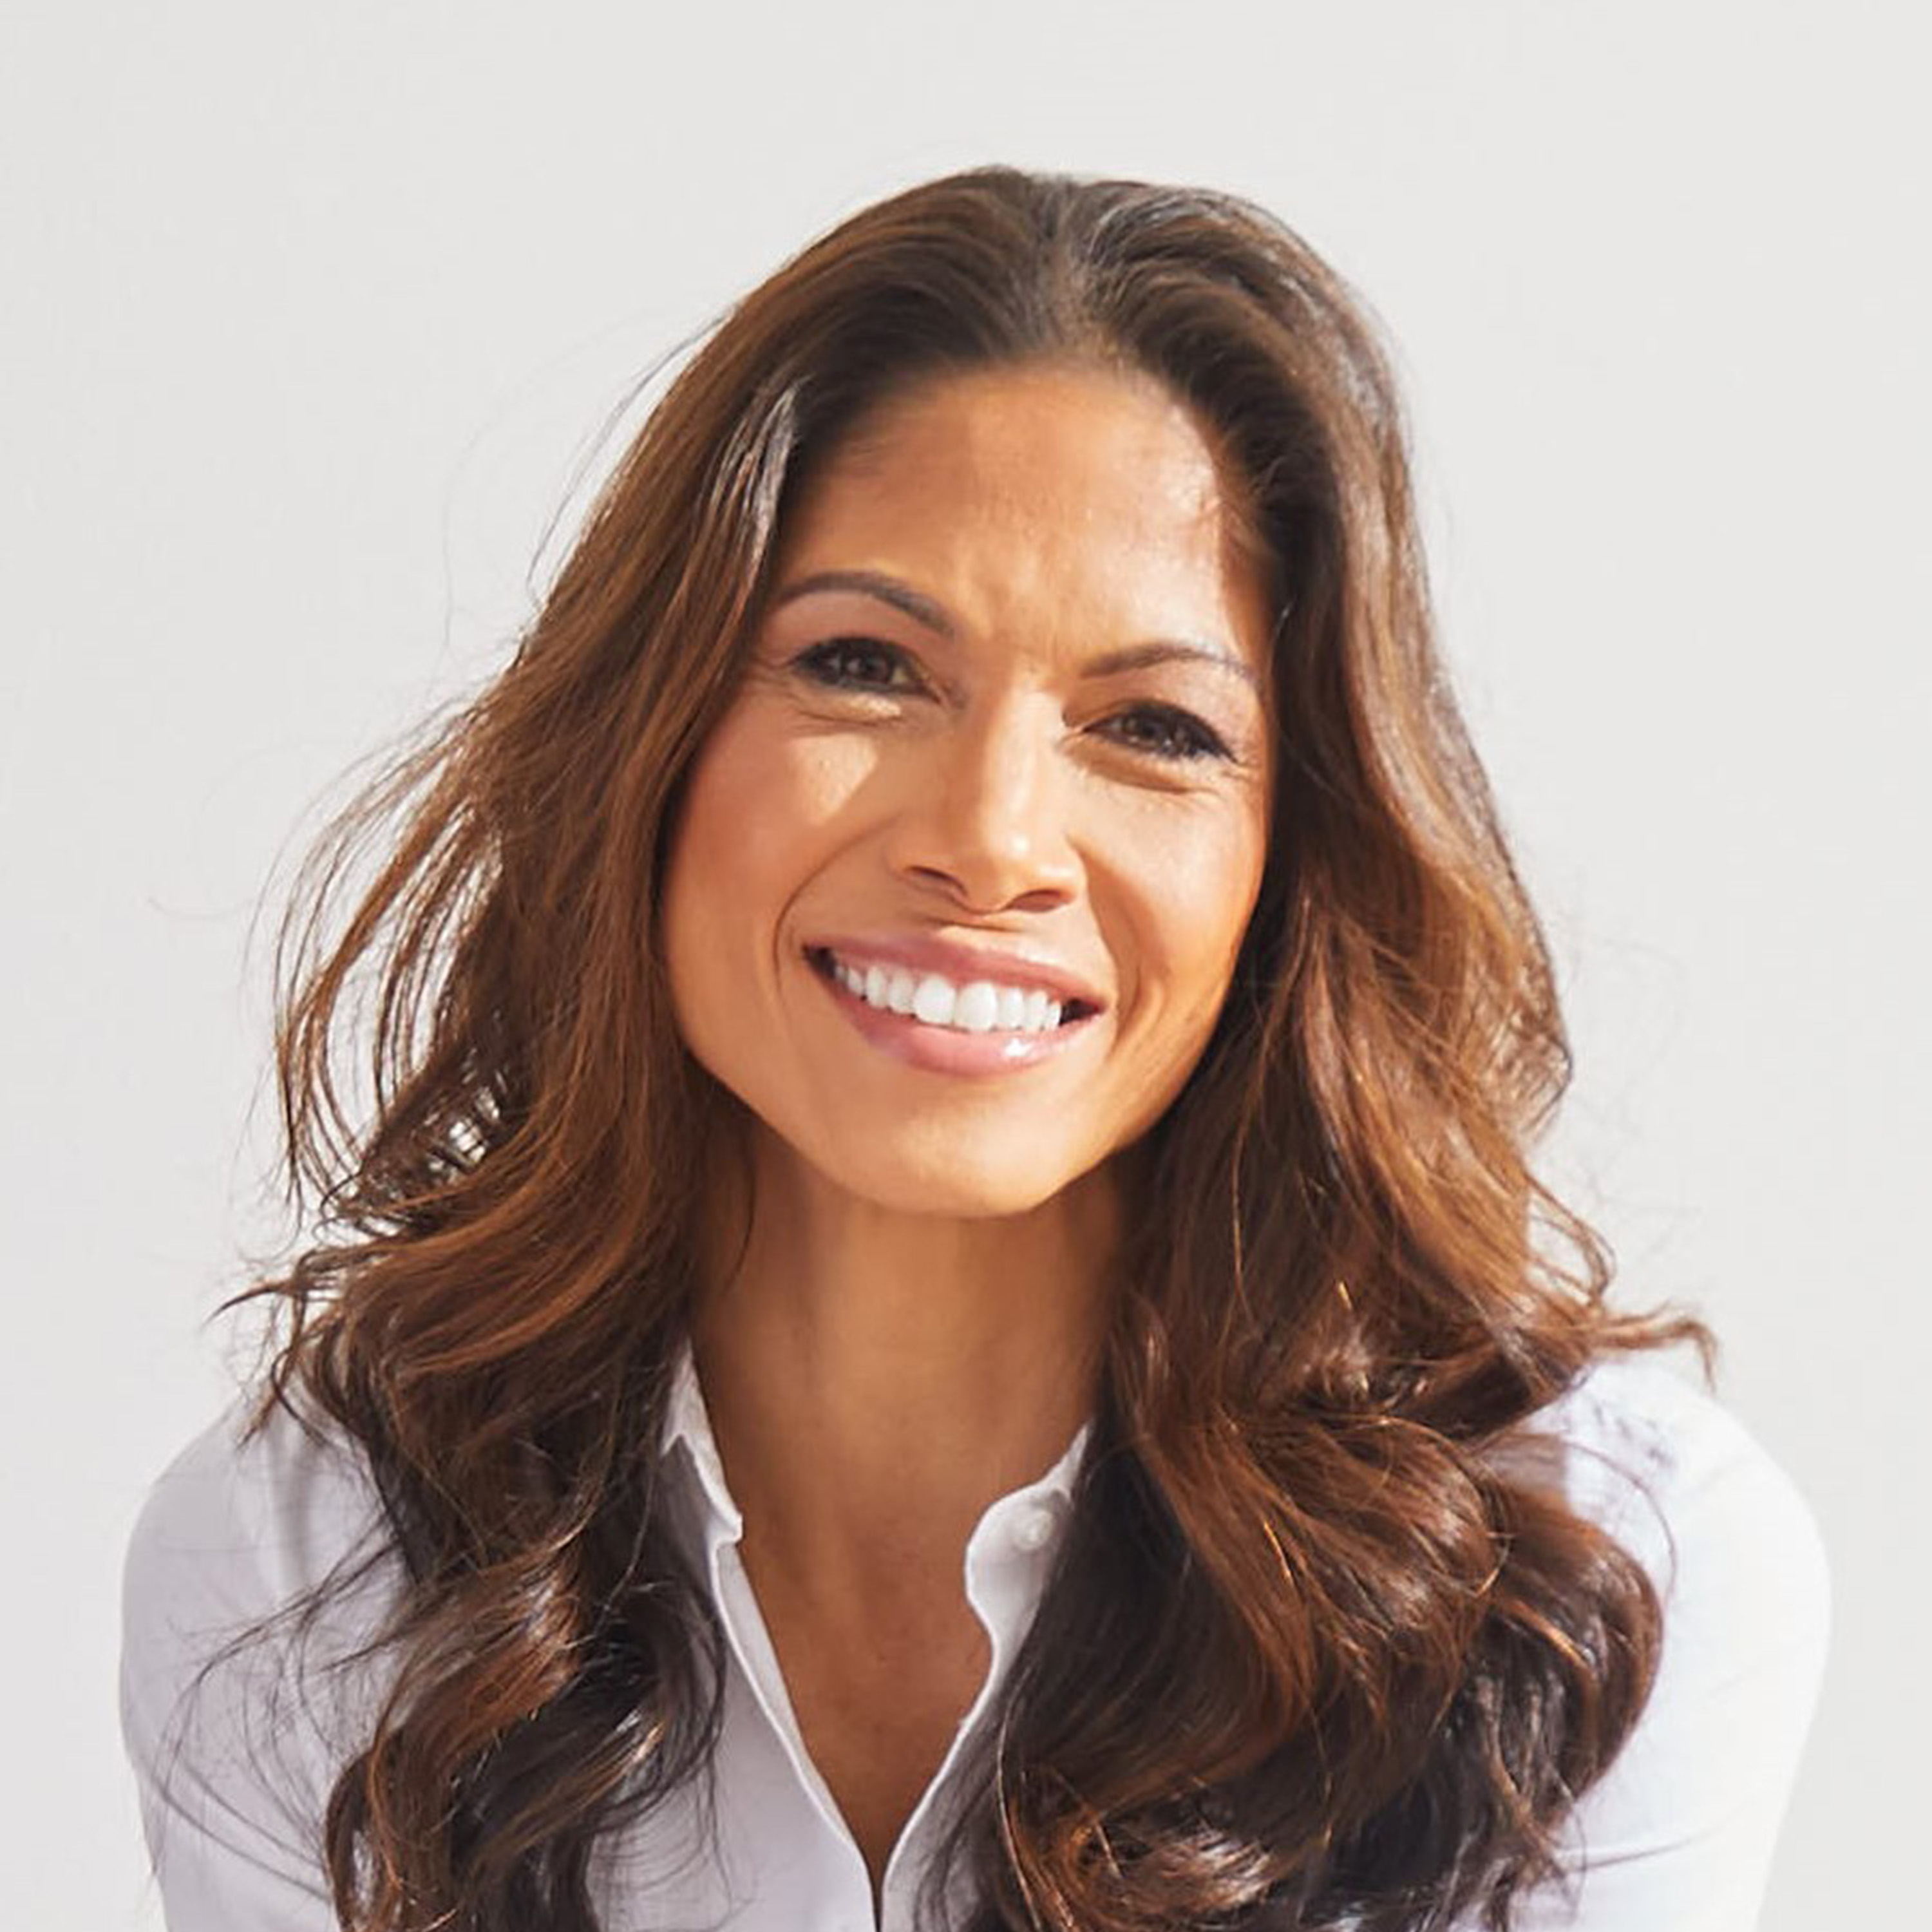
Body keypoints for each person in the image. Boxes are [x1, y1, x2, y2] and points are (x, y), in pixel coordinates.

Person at [119, 166, 1830, 1932]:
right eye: (863, 666)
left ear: (1289, 864)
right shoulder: (307, 1566)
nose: (993, 837)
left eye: (1156, 727)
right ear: (650, 740)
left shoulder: (1596, 1578)